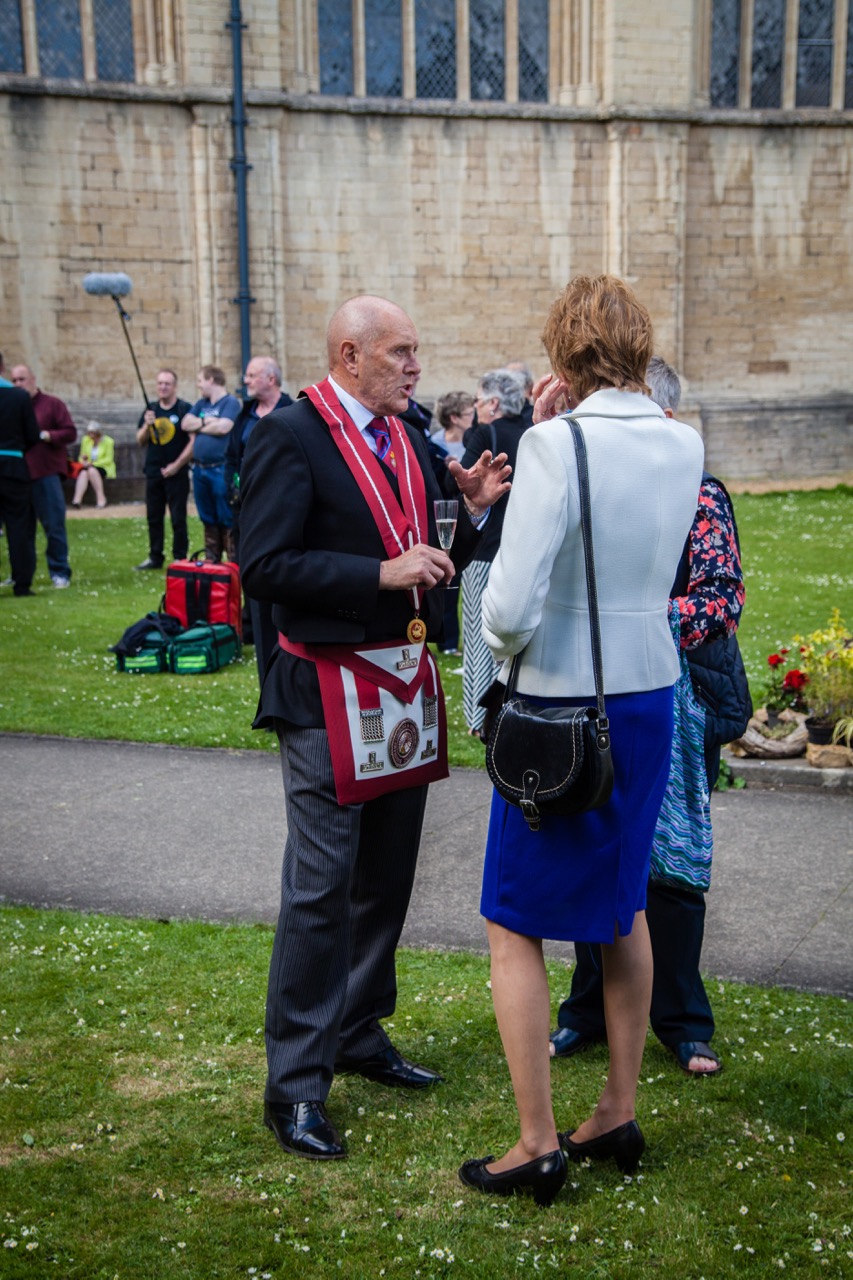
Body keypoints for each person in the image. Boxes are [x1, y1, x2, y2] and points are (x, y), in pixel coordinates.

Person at [239, 294, 512, 1162]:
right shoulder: (290, 435)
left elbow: (430, 563)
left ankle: (357, 1031)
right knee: (321, 886)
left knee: (385, 877)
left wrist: (470, 514)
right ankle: (295, 1085)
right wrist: (377, 572)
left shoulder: (409, 438)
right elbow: (263, 565)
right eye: (399, 352)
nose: (414, 366)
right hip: (324, 686)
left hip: (400, 687)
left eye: (416, 351)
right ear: (349, 355)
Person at [457, 276, 703, 1208]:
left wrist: (496, 639)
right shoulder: (682, 440)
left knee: (512, 918)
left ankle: (534, 1142)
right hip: (647, 695)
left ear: (562, 352)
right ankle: (614, 1109)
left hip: (560, 709)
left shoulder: (553, 445)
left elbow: (509, 609)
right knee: (623, 902)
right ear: (637, 345)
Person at [551, 355, 748, 1077]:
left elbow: (720, 596)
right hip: (597, 690)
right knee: (594, 844)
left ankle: (682, 1020)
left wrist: (636, 619)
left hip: (678, 694)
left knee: (674, 863)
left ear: (662, 416)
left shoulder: (698, 491)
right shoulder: (590, 477)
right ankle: (586, 1011)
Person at [460, 369, 530, 738]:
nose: (474, 407)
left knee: (478, 635)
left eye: (477, 400)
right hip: (521, 549)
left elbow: (461, 485)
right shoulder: (533, 433)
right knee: (512, 640)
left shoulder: (485, 437)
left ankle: (479, 719)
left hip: (485, 549)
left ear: (492, 403)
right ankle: (509, 711)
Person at [225, 356, 293, 679]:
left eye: (252, 375)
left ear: (271, 379)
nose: (246, 380)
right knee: (255, 587)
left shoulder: (294, 412)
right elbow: (231, 458)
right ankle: (267, 678)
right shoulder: (245, 416)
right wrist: (233, 488)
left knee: (285, 593)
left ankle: (290, 672)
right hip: (248, 516)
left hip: (285, 517)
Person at [11, 364, 77, 588]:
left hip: (46, 473)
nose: (18, 384)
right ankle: (21, 574)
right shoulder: (12, 407)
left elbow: (70, 432)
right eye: (14, 381)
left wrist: (48, 435)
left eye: (22, 379)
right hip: (20, 476)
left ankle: (59, 571)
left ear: (33, 379)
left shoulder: (52, 404)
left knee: (54, 525)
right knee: (21, 529)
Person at [181, 366, 241, 563]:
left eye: (200, 380)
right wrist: (208, 421)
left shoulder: (230, 402)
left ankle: (233, 562)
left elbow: (224, 427)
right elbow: (185, 424)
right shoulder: (202, 404)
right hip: (200, 469)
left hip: (220, 469)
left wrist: (199, 424)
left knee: (226, 515)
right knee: (207, 517)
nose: (198, 385)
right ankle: (212, 561)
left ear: (211, 380)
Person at [431, 392, 476, 654]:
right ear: (455, 418)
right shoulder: (434, 445)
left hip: (467, 517)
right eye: (469, 414)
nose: (474, 418)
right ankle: (446, 641)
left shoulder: (474, 442)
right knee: (445, 580)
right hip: (442, 518)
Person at [135, 370, 193, 570]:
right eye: (160, 383)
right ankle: (155, 556)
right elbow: (140, 441)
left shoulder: (184, 409)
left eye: (167, 383)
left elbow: (193, 442)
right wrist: (147, 425)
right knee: (154, 517)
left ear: (174, 386)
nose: (163, 387)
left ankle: (180, 557)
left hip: (177, 473)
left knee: (178, 518)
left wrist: (176, 465)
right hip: (153, 472)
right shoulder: (150, 410)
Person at [0, 383, 39, 595]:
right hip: (13, 466)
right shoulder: (19, 397)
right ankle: (22, 583)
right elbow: (32, 434)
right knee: (19, 526)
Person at [71, 422, 115, 509]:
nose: (90, 435)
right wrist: (84, 461)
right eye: (89, 432)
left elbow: (108, 459)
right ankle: (77, 500)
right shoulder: (86, 440)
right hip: (88, 467)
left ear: (98, 432)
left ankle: (101, 499)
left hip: (104, 467)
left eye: (92, 433)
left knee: (91, 471)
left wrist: (93, 464)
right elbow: (81, 456)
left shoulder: (108, 441)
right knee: (83, 473)